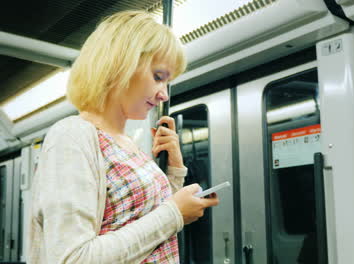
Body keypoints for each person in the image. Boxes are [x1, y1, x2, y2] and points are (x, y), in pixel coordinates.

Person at [28, 10, 219, 263]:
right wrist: (175, 213)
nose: (164, 95)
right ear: (119, 66)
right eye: (158, 77)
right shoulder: (72, 136)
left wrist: (174, 172)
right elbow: (73, 257)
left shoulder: (128, 143)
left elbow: (143, 221)